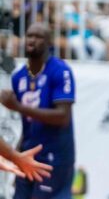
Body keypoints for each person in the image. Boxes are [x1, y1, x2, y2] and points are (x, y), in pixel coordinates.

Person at [0, 23, 76, 199]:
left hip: (55, 157)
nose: (32, 40)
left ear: (49, 42)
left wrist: (18, 106)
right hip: (27, 153)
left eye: (38, 37)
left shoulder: (60, 71)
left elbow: (63, 117)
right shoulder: (18, 77)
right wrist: (17, 156)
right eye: (29, 35)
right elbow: (26, 123)